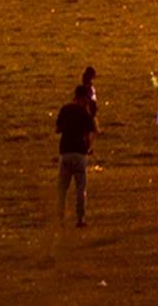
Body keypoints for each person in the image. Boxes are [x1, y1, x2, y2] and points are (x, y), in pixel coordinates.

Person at [56, 84, 98, 227]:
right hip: (79, 153)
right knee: (81, 187)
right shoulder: (85, 114)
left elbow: (57, 129)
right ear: (84, 98)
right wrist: (88, 146)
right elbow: (92, 132)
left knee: (62, 188)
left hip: (65, 152)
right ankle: (80, 219)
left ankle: (60, 217)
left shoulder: (65, 109)